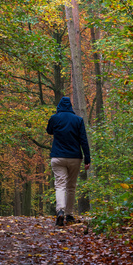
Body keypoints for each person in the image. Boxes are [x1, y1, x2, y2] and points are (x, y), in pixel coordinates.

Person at [46, 97, 91, 226]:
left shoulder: (54, 118)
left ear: (59, 106)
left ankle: (60, 210)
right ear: (70, 106)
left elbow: (49, 131)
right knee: (71, 186)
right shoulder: (78, 120)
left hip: (58, 157)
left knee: (60, 185)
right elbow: (83, 140)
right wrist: (87, 159)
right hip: (74, 157)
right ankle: (69, 215)